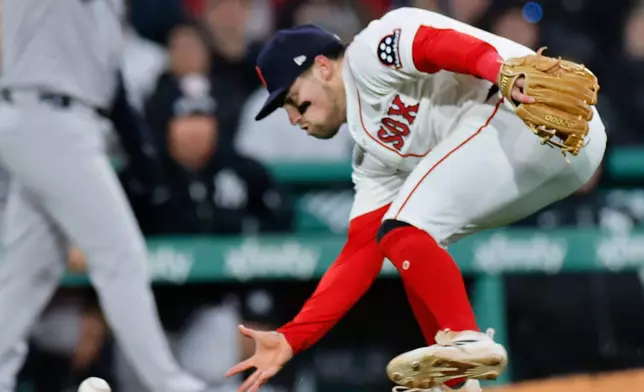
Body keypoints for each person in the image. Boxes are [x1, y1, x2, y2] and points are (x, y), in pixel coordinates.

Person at [224, 6, 607, 392]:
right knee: (402, 238)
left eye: (293, 100)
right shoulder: (371, 154)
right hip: (561, 158)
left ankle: (465, 340)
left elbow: (434, 44)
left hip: (526, 113)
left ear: (323, 67)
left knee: (404, 226)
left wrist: (498, 71)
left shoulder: (367, 52)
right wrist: (293, 337)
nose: (293, 118)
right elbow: (360, 252)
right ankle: (457, 382)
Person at [0, 1, 212, 391]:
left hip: (63, 118)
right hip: (48, 118)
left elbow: (107, 76)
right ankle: (167, 382)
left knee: (31, 270)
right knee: (121, 256)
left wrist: (140, 149)